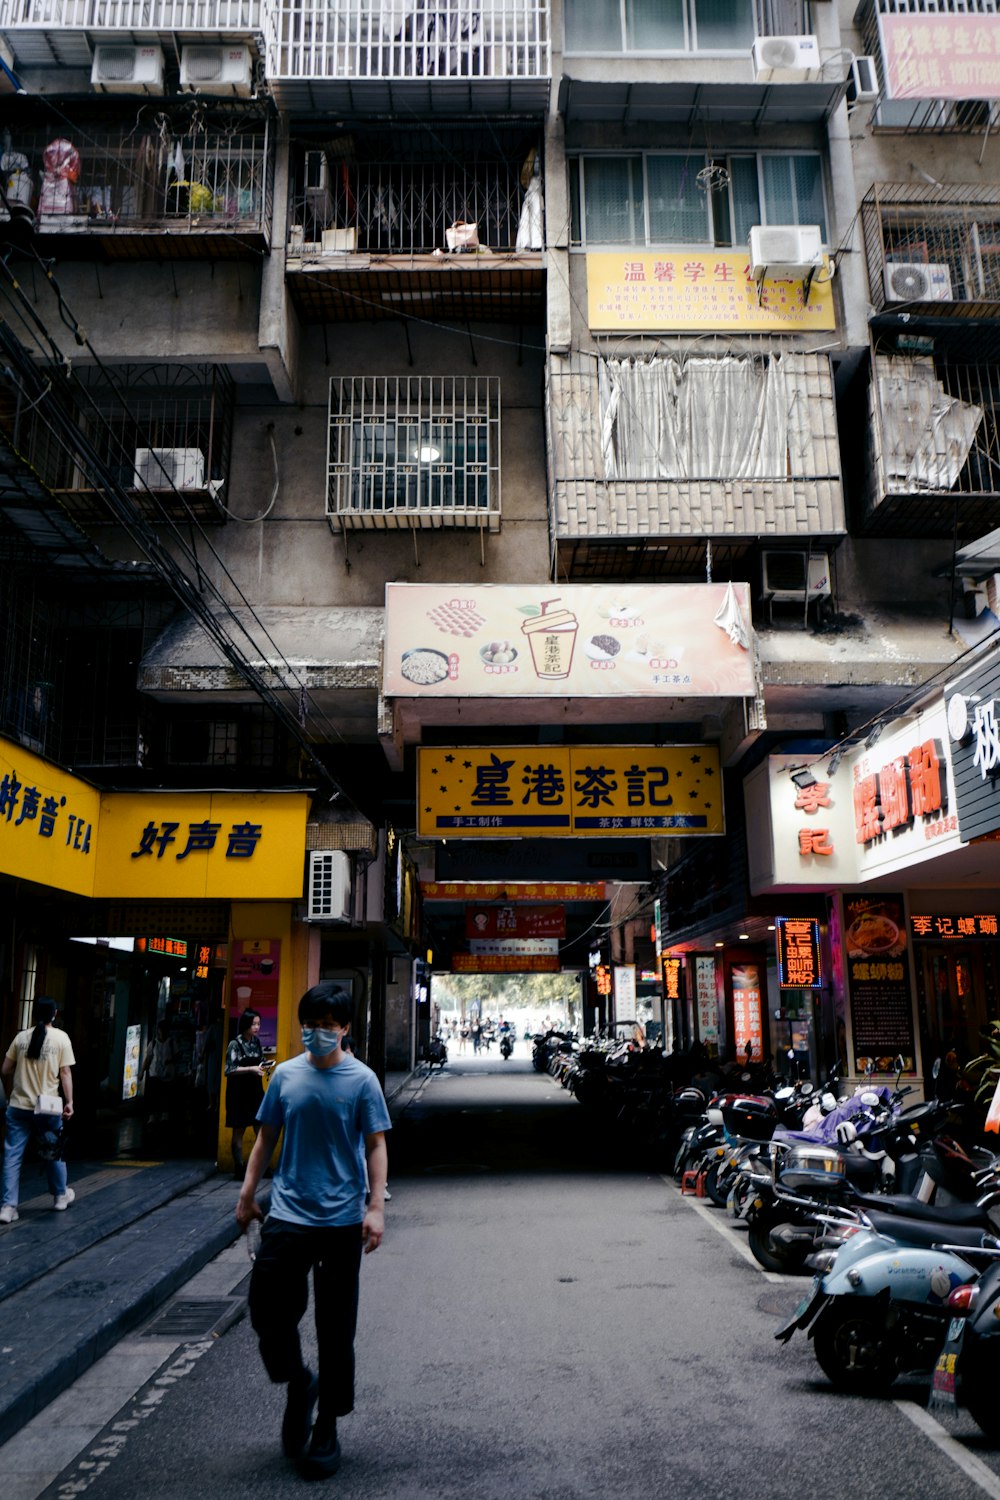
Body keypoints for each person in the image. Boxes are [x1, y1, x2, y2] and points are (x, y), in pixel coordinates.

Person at [236, 981, 390, 1479]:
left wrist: (375, 1208)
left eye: (328, 1026)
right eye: (311, 1024)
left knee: (335, 1327)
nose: (318, 1033)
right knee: (267, 1312)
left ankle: (327, 1425)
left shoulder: (362, 1080)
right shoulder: (285, 1076)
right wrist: (246, 1194)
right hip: (287, 1214)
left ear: (345, 1029)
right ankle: (300, 1382)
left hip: (342, 1220)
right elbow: (265, 1140)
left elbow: (375, 1146)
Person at [1, 996, 75, 1223]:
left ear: (34, 1014)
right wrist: (70, 1102)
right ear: (54, 1014)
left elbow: (4, 1069)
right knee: (53, 1151)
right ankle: (60, 1196)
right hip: (48, 1107)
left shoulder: (21, 1037)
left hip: (18, 1106)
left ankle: (7, 1207)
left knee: (12, 1156)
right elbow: (65, 1074)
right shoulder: (61, 1038)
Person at [225, 1009, 265, 1180]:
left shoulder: (256, 1042)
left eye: (258, 1023)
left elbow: (260, 1061)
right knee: (239, 1129)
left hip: (255, 1089)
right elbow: (230, 1069)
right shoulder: (235, 1044)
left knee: (260, 1129)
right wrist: (250, 1069)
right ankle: (239, 1167)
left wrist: (263, 1067)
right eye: (253, 1024)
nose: (257, 1027)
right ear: (246, 1025)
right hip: (238, 1091)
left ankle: (258, 1166)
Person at [141, 1019, 179, 1127]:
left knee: (166, 1095)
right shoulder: (153, 1044)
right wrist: (142, 1071)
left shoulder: (172, 1043)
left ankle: (164, 1115)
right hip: (155, 1074)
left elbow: (177, 1056)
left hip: (168, 1075)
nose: (161, 1032)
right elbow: (148, 1058)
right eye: (160, 1030)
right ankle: (153, 1116)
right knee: (154, 1096)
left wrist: (170, 1061)